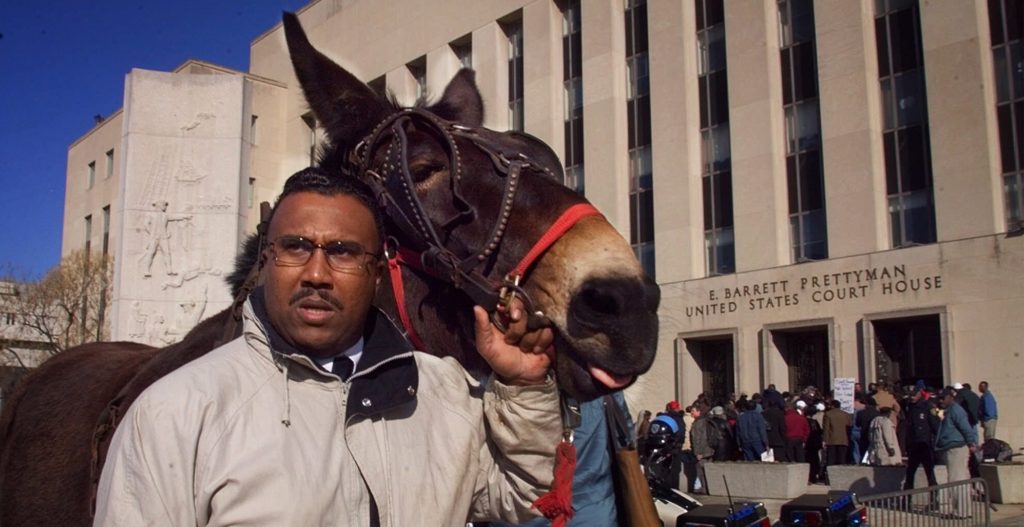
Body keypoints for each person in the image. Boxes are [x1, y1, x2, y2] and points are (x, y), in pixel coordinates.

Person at [94, 168, 562, 526]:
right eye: (296, 247)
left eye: (341, 251)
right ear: (268, 259)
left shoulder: (443, 393)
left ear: (377, 271)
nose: (316, 273)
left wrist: (524, 386)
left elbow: (525, 496)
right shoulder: (174, 412)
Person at [935, 387, 978, 518]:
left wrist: (971, 443)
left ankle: (961, 512)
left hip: (957, 448)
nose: (941, 400)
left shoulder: (956, 410)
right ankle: (964, 510)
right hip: (954, 447)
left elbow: (966, 428)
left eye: (943, 398)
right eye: (940, 398)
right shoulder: (950, 410)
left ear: (951, 397)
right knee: (960, 480)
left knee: (956, 480)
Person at [904, 386, 940, 491]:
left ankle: (934, 500)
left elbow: (936, 426)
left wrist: (935, 445)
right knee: (910, 474)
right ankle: (907, 500)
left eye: (914, 395)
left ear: (919, 394)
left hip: (925, 445)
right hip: (914, 446)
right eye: (910, 395)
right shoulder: (909, 407)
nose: (912, 397)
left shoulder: (929, 406)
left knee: (930, 474)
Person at [822, 400, 852, 479]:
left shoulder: (828, 414)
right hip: (843, 439)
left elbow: (826, 429)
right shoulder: (846, 414)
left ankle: (830, 477)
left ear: (832, 406)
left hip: (832, 440)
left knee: (831, 460)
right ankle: (842, 476)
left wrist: (825, 440)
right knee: (842, 459)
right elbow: (849, 427)